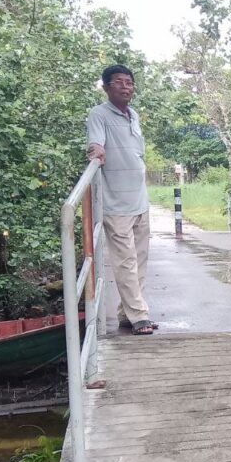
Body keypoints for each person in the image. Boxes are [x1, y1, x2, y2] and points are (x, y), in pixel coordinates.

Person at [86, 64, 156, 336]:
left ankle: (128, 313)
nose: (126, 87)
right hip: (116, 204)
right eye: (119, 82)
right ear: (106, 87)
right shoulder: (99, 114)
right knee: (125, 261)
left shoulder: (133, 115)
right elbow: (96, 144)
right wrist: (96, 151)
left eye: (129, 82)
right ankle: (139, 315)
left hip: (139, 200)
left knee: (140, 260)